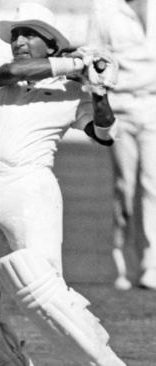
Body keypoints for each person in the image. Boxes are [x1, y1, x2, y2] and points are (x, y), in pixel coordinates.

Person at [0, 3, 125, 366]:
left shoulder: (70, 89)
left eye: (28, 33)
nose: (18, 41)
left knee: (45, 292)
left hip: (30, 188)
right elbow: (13, 72)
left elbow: (105, 133)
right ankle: (13, 361)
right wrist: (78, 64)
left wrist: (98, 91)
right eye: (16, 34)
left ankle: (104, 361)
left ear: (50, 43)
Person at [86, 0, 156, 290]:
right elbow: (91, 57)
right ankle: (120, 258)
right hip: (122, 106)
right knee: (125, 186)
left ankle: (150, 264)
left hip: (153, 103)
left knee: (153, 183)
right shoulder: (104, 8)